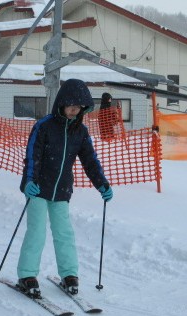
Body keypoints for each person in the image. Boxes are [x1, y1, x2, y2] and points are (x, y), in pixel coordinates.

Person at [17, 79, 113, 297]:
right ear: (61, 103)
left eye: (79, 107)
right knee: (37, 232)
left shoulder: (81, 131)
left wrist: (102, 184)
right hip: (38, 188)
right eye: (71, 106)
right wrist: (29, 181)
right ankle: (27, 275)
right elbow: (32, 156)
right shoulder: (44, 126)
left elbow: (90, 161)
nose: (74, 111)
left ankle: (69, 274)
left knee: (64, 233)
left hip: (61, 190)